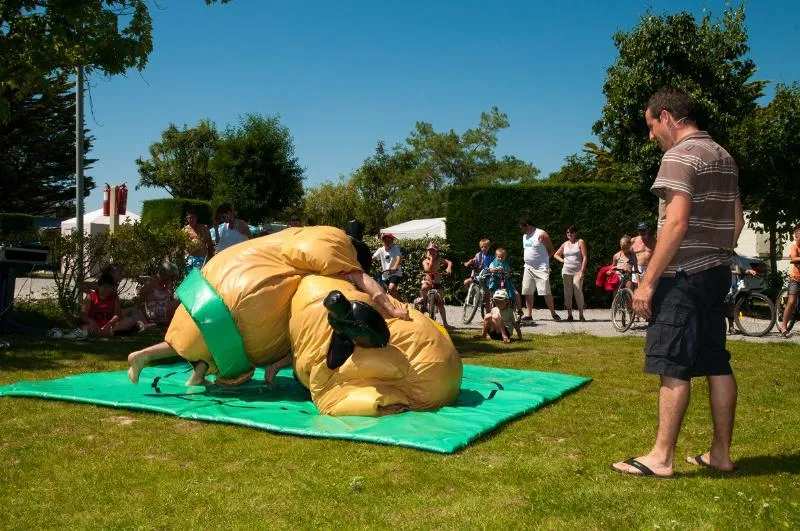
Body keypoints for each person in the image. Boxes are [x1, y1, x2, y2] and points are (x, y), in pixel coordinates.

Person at [612, 87, 743, 478]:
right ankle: (720, 454)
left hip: (683, 278)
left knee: (673, 363)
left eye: (651, 126)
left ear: (666, 117)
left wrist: (648, 282)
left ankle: (661, 457)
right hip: (716, 274)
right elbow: (736, 223)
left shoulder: (679, 155)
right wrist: (715, 252)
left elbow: (676, 221)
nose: (651, 136)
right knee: (716, 362)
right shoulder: (723, 155)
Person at [519, 217, 561, 322]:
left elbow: (551, 251)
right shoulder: (525, 236)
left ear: (528, 225)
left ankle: (553, 313)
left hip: (541, 268)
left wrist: (543, 261)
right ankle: (529, 315)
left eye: (522, 228)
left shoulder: (541, 234)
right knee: (527, 291)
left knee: (546, 291)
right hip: (528, 267)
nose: (522, 231)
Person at [79, 272, 138, 337]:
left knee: (130, 320)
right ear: (99, 286)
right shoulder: (90, 297)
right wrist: (91, 321)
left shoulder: (114, 297)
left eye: (110, 287)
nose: (107, 290)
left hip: (110, 325)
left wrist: (108, 324)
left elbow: (117, 314)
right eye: (105, 287)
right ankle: (107, 333)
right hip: (94, 325)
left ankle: (102, 333)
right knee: (86, 328)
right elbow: (83, 315)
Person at [128, 262, 181, 331]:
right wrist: (141, 318)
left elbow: (170, 299)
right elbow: (138, 303)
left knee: (180, 303)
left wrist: (169, 288)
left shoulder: (167, 284)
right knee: (179, 303)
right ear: (165, 273)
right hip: (155, 313)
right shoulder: (150, 284)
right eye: (171, 276)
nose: (172, 279)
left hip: (166, 310)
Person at [554, 225, 587, 322]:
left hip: (577, 271)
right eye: (567, 232)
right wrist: (562, 261)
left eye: (571, 232)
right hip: (566, 271)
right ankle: (570, 315)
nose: (569, 234)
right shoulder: (565, 244)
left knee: (578, 291)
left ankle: (581, 315)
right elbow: (556, 254)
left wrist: (582, 271)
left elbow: (585, 257)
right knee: (567, 293)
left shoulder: (580, 242)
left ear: (575, 233)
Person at [419, 242, 453, 329]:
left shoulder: (440, 259)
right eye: (430, 251)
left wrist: (448, 268)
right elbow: (427, 270)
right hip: (428, 282)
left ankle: (445, 323)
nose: (432, 253)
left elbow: (449, 262)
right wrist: (432, 260)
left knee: (441, 303)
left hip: (437, 283)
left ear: (437, 252)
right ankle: (424, 301)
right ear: (427, 253)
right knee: (424, 287)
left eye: (433, 251)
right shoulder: (425, 261)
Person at [724, 254, 757, 335]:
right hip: (724, 283)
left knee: (731, 305)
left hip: (733, 285)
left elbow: (740, 269)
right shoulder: (723, 254)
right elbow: (719, 269)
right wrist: (733, 272)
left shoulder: (735, 256)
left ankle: (731, 327)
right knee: (723, 306)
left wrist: (748, 271)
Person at [777, 225, 800, 338]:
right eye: (797, 236)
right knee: (791, 302)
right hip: (796, 279)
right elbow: (793, 258)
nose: (797, 238)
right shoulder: (795, 246)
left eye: (799, 236)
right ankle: (783, 327)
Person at [372, 232, 403, 300]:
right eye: (385, 240)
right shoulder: (380, 250)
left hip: (395, 273)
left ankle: (401, 303)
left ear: (392, 241)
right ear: (383, 241)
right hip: (385, 274)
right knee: (386, 292)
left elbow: (399, 257)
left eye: (389, 240)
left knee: (391, 288)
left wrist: (395, 267)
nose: (387, 242)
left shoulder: (395, 248)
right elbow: (373, 258)